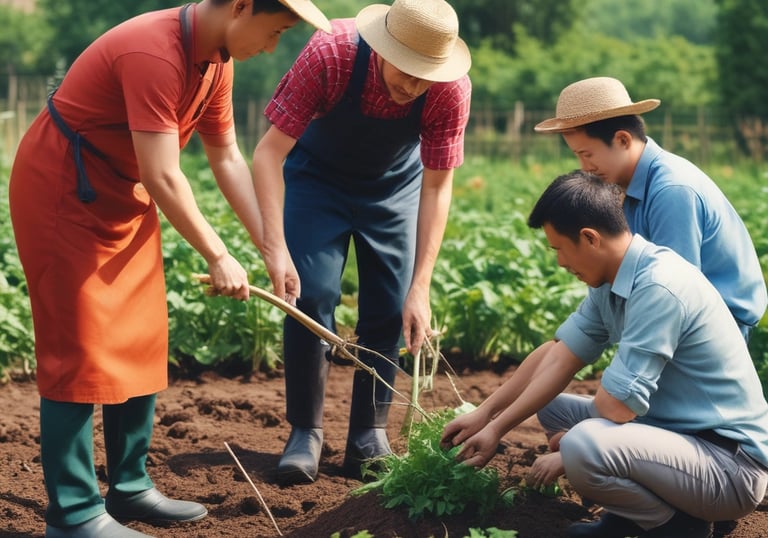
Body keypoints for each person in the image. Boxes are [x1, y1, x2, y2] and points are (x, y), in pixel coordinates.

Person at [9, 1, 330, 537]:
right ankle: (73, 513)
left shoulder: (217, 62)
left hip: (123, 195)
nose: (271, 47)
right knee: (78, 349)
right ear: (241, 7)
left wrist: (272, 247)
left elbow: (225, 156)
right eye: (272, 32)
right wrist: (218, 254)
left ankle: (129, 486)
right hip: (65, 190)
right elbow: (162, 174)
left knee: (141, 335)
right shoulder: (154, 52)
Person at [440, 170, 768, 538]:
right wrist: (488, 419)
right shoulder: (611, 279)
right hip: (678, 438)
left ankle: (676, 524)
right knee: (552, 408)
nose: (560, 262)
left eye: (559, 249)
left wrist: (569, 454)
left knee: (583, 443)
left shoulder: (659, 286)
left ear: (590, 238)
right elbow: (558, 355)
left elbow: (617, 408)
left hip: (727, 466)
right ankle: (630, 513)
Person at [250, 0, 472, 484]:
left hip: (394, 188)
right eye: (406, 70)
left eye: (425, 77)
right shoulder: (330, 53)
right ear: (382, 47)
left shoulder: (451, 89)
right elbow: (268, 154)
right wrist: (275, 246)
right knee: (311, 294)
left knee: (390, 306)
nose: (413, 87)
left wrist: (421, 286)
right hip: (317, 179)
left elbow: (437, 187)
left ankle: (368, 435)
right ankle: (305, 432)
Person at [534, 76, 767, 342]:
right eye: (577, 155)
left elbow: (673, 293)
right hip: (672, 314)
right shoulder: (621, 184)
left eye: (587, 154)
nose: (584, 167)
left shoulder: (672, 190)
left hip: (717, 326)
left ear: (623, 140)